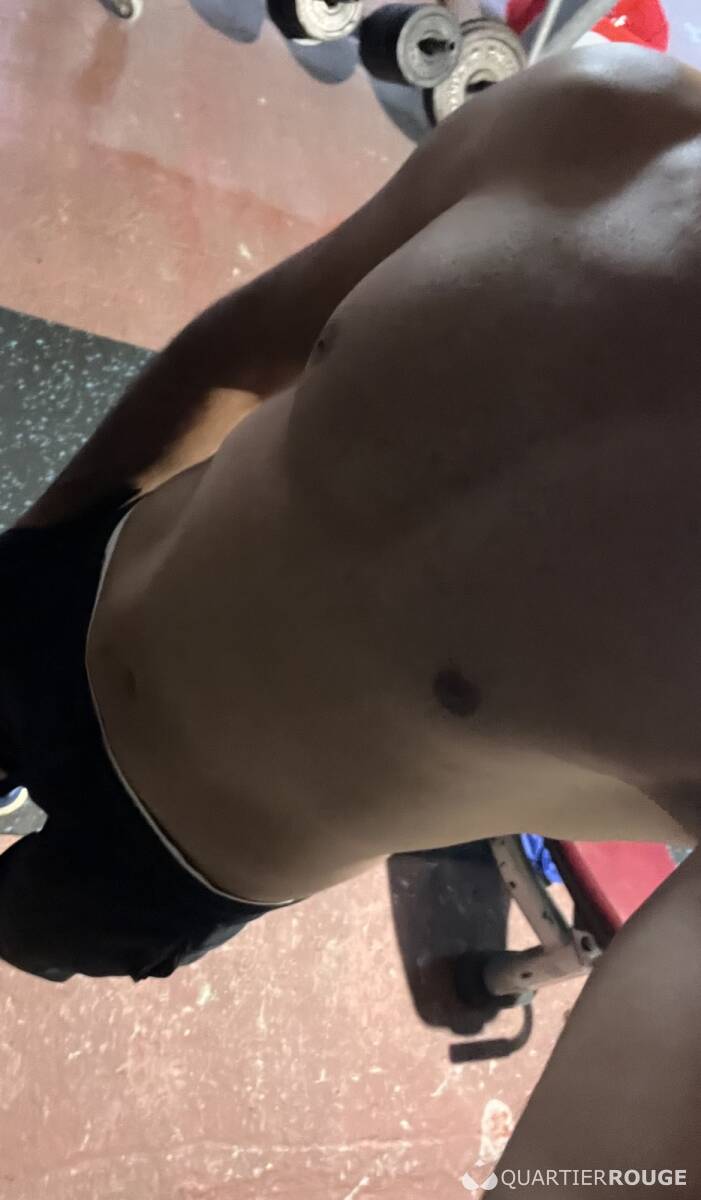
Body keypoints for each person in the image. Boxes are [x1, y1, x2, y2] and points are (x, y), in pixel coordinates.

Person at [0, 42, 699, 982]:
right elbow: (256, 339)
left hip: (172, 861)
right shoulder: (607, 119)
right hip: (63, 599)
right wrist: (37, 545)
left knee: (23, 933)